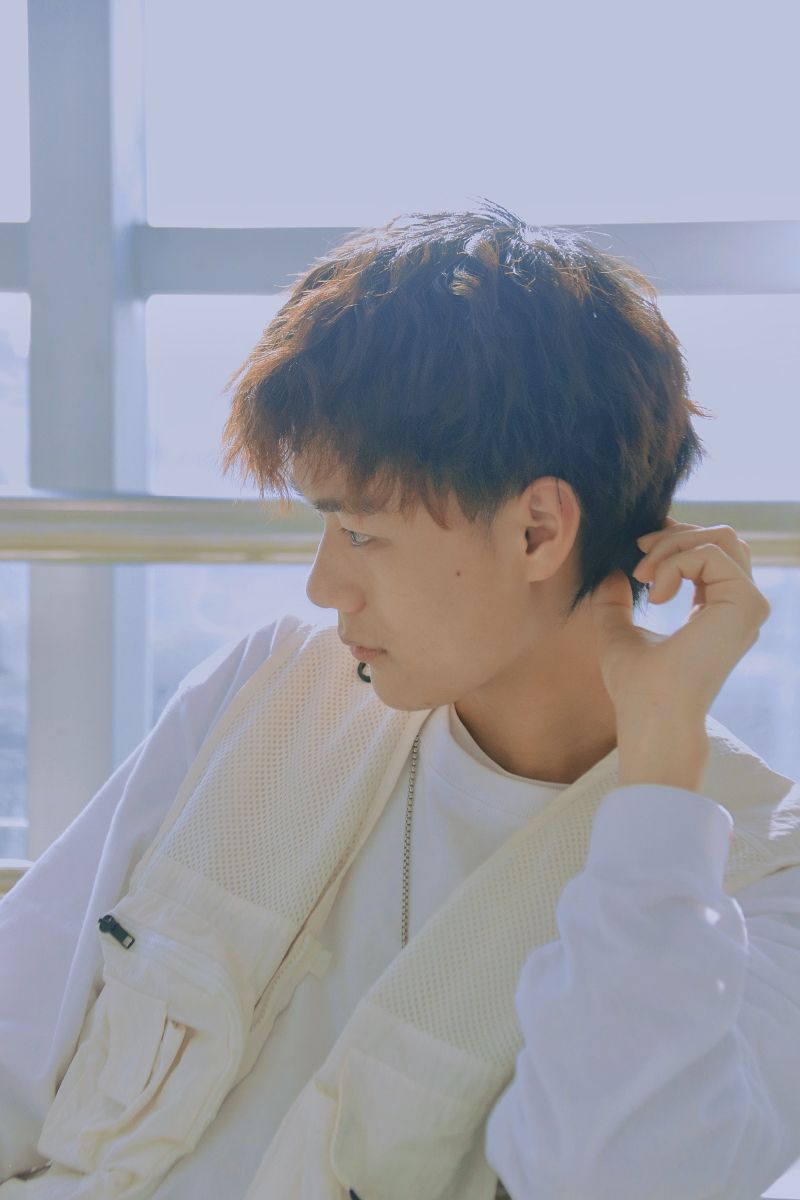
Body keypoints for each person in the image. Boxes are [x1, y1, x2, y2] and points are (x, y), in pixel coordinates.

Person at [1, 199, 799, 1200]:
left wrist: (660, 766)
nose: (322, 585)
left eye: (360, 532)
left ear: (538, 531)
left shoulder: (761, 874)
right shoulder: (265, 692)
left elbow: (611, 1179)